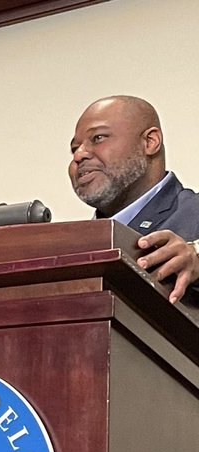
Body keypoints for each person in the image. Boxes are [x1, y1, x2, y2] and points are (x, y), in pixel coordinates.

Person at [69, 95, 199, 303]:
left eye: (98, 138)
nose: (79, 155)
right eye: (74, 148)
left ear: (150, 142)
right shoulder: (71, 247)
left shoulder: (194, 212)